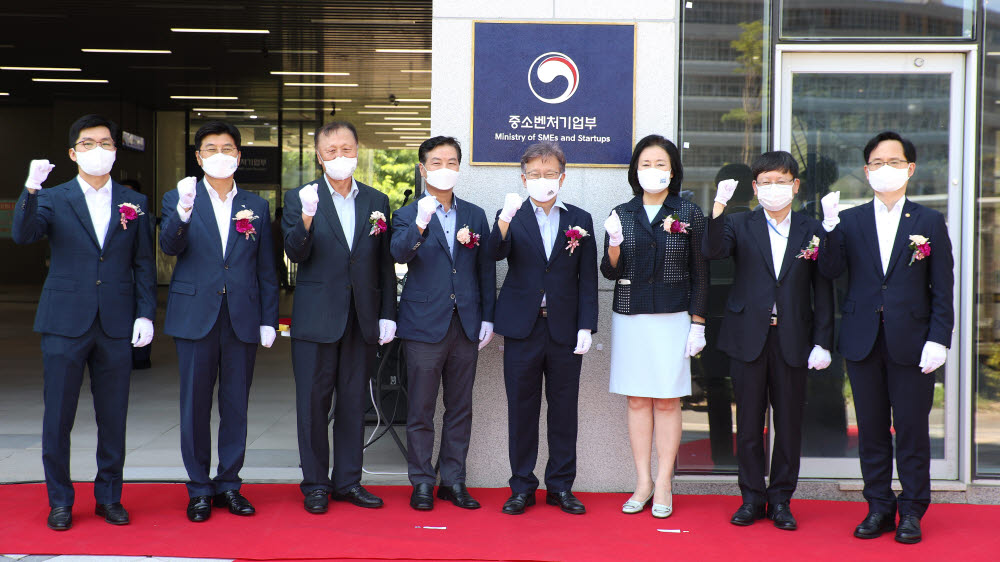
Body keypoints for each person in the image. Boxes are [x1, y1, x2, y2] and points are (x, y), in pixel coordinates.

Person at [12, 114, 156, 530]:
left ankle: (109, 496)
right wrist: (30, 189)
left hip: (115, 321)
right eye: (89, 143)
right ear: (73, 153)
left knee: (113, 416)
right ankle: (60, 500)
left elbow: (143, 262)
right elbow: (23, 235)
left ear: (116, 150)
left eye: (107, 143)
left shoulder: (134, 201)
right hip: (64, 321)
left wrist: (145, 312)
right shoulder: (53, 198)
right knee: (58, 415)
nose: (100, 150)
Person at [817, 131, 954, 544]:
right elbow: (829, 271)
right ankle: (879, 505)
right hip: (863, 339)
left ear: (910, 168)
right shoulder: (851, 219)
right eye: (876, 163)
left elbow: (943, 287)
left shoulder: (928, 221)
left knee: (911, 429)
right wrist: (827, 229)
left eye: (893, 162)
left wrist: (939, 338)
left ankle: (912, 509)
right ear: (865, 171)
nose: (885, 170)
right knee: (872, 430)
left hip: (913, 341)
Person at [703, 151, 834, 530]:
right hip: (748, 336)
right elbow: (712, 252)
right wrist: (718, 206)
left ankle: (781, 501)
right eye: (765, 182)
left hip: (793, 336)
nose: (773, 188)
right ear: (756, 188)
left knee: (790, 424)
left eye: (781, 181)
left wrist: (822, 341)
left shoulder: (811, 229)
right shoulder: (740, 224)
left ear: (795, 186)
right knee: (747, 424)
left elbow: (823, 289)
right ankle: (750, 499)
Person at [159, 121, 280, 522]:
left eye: (227, 148)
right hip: (196, 316)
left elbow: (266, 267)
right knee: (194, 406)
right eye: (210, 149)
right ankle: (198, 489)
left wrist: (269, 318)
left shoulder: (257, 205)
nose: (219, 155)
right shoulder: (179, 197)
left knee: (236, 406)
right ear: (198, 157)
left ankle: (229, 484)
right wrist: (183, 210)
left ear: (239, 156)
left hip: (242, 317)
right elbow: (170, 246)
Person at [281, 121, 397, 514]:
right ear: (319, 156)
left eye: (346, 149)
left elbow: (383, 265)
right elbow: (295, 254)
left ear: (358, 151)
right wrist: (307, 218)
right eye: (331, 151)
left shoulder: (378, 201)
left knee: (352, 403)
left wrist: (387, 315)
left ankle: (348, 481)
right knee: (313, 404)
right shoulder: (300, 197)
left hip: (361, 318)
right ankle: (315, 484)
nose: (339, 157)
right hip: (316, 320)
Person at [487, 142, 598, 516]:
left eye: (549, 173)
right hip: (522, 328)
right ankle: (521, 487)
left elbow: (587, 280)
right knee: (522, 410)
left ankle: (561, 487)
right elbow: (494, 254)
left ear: (562, 178)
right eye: (534, 174)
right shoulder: (511, 215)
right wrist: (503, 220)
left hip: (565, 330)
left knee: (564, 411)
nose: (542, 179)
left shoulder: (580, 219)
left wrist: (587, 326)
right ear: (523, 178)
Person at [601, 135, 708, 518]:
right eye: (645, 164)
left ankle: (664, 480)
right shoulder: (622, 212)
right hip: (631, 316)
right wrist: (613, 243)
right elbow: (610, 272)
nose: (653, 170)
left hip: (674, 316)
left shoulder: (689, 212)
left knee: (666, 399)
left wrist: (698, 322)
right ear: (635, 170)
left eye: (661, 163)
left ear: (673, 170)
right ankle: (642, 481)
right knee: (636, 399)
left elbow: (701, 272)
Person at [390, 136, 496, 511]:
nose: (444, 168)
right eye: (436, 162)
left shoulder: (474, 215)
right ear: (422, 169)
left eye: (451, 162)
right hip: (422, 325)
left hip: (465, 324)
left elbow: (485, 270)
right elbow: (398, 253)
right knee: (420, 408)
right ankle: (421, 481)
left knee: (460, 407)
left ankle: (453, 480)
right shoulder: (406, 214)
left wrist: (487, 317)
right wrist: (419, 225)